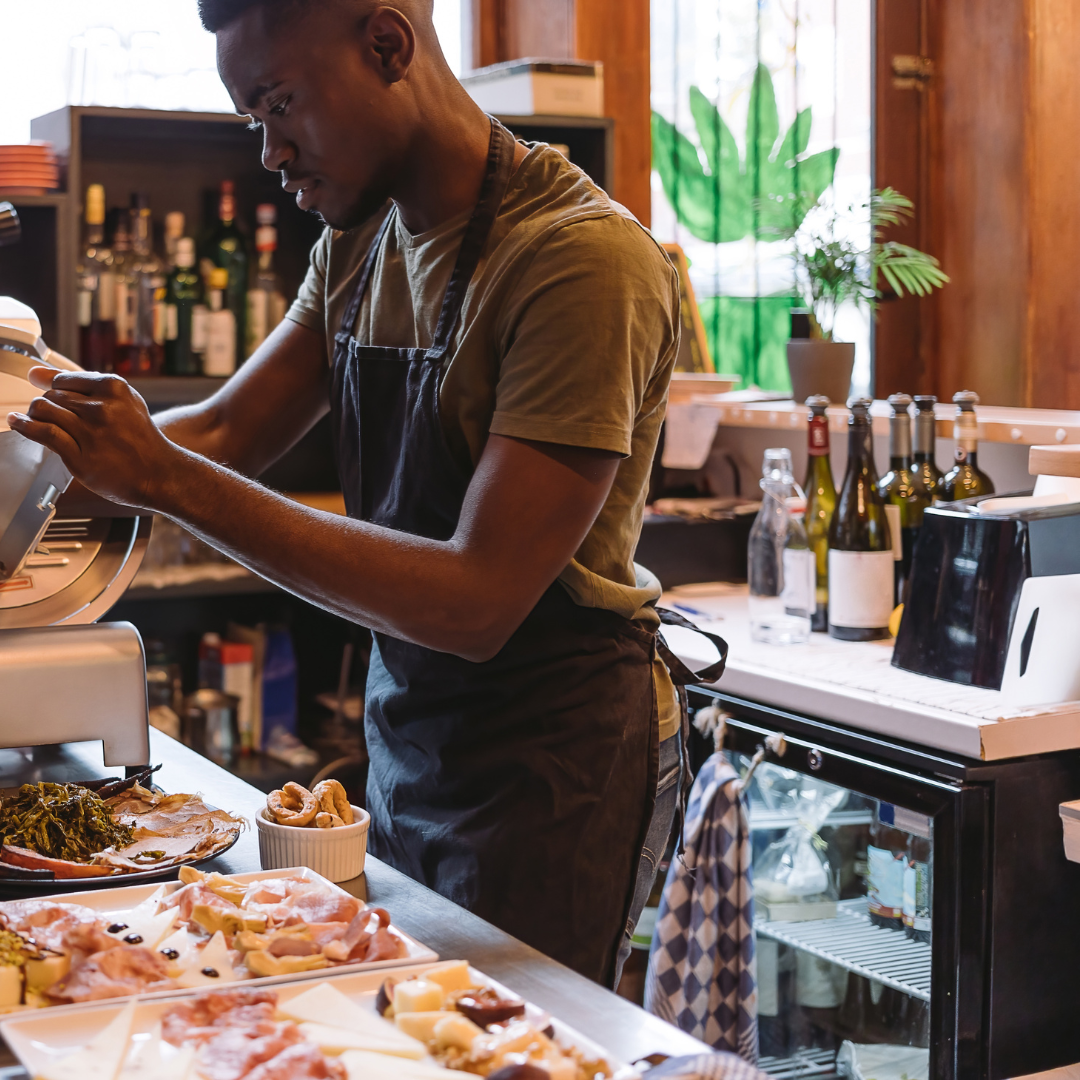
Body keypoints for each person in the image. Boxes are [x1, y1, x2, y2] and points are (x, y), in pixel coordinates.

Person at [9, 0, 715, 986]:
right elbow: (222, 433)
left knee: (507, 1046)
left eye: (280, 103)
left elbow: (475, 601)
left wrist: (164, 478)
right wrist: (33, 468)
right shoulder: (362, 243)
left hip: (553, 764)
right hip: (413, 736)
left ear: (388, 46)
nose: (270, 151)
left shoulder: (579, 265)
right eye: (253, 120)